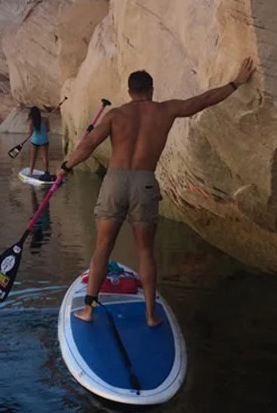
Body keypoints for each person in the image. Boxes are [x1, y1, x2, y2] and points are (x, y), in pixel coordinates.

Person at [56, 57, 256, 327]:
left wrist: (65, 167)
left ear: (129, 92)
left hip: (115, 182)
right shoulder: (165, 110)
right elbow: (203, 100)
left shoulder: (115, 115)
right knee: (145, 252)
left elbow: (88, 144)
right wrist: (235, 83)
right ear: (151, 90)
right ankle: (150, 315)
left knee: (102, 248)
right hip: (145, 183)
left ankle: (89, 311)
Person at [26, 103, 60, 181]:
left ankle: (30, 173)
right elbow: (48, 130)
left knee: (33, 158)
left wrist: (29, 133)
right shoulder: (45, 119)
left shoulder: (32, 121)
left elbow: (30, 132)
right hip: (44, 140)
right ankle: (47, 171)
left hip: (35, 141)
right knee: (45, 157)